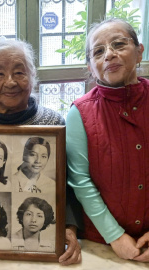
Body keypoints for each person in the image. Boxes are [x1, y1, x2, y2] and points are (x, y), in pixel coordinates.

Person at [0, 39, 83, 265]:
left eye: (19, 72)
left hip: (43, 245)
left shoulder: (53, 123)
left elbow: (67, 185)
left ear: (33, 76)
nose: (9, 82)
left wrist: (68, 227)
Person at [66, 18, 149, 263]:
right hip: (100, 244)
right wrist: (115, 236)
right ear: (91, 67)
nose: (109, 55)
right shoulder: (79, 113)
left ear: (139, 52)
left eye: (119, 44)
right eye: (98, 51)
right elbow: (80, 180)